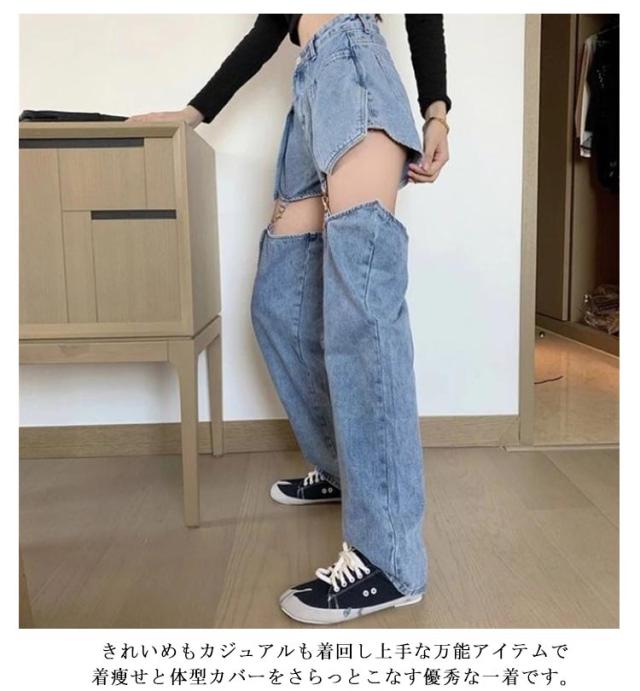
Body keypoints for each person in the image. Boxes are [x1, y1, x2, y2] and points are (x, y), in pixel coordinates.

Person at [128, 13, 451, 625]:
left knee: (362, 312)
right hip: (311, 89)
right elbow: (267, 30)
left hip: (353, 67)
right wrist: (192, 114)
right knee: (279, 303)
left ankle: (392, 561)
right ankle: (342, 469)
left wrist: (437, 111)